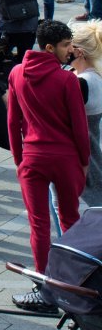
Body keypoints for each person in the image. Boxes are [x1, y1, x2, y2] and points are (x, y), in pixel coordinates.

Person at [8, 20, 90, 311]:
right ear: (49, 48)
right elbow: (79, 127)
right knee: (70, 221)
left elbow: (13, 122)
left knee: (38, 225)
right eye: (66, 46)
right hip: (65, 157)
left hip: (32, 156)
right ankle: (75, 281)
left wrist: (19, 159)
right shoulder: (67, 80)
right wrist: (83, 161)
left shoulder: (17, 73)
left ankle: (44, 287)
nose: (70, 50)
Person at [71, 21, 102, 206]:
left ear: (79, 51)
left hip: (85, 156)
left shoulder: (84, 81)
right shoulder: (94, 75)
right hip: (91, 151)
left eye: (69, 45)